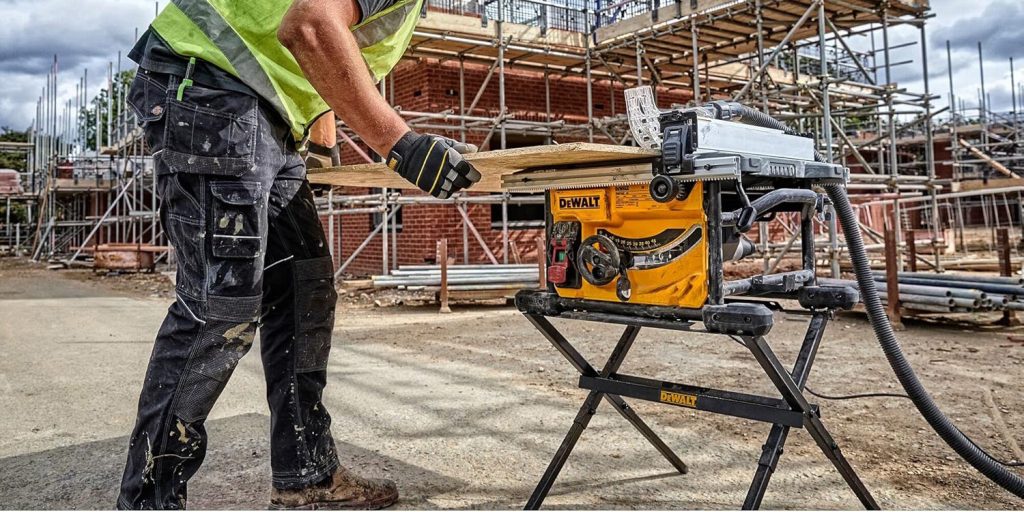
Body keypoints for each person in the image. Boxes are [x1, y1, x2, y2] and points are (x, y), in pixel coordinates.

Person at [117, 0, 480, 509]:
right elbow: (308, 24)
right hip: (210, 89)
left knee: (303, 290)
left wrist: (322, 138)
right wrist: (401, 143)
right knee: (220, 310)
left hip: (265, 113)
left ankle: (306, 476)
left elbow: (321, 51)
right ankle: (147, 500)